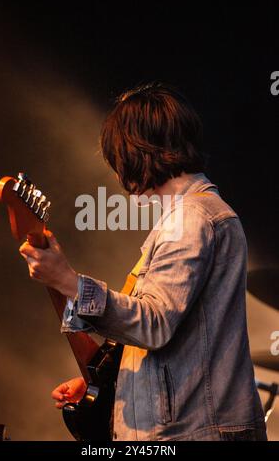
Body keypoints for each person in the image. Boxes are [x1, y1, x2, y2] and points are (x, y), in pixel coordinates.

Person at [19, 82, 267, 441]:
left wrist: (70, 282)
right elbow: (173, 338)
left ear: (136, 153)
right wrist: (119, 385)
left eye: (118, 158)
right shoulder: (191, 216)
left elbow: (154, 324)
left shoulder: (192, 220)